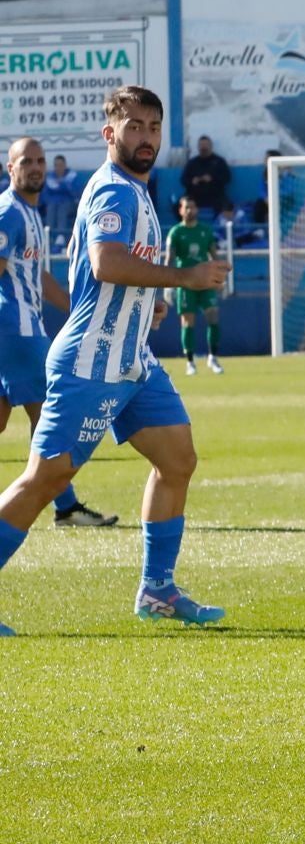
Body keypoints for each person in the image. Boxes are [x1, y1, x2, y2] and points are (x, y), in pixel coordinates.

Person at [0, 88, 229, 636]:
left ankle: (158, 590)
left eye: (153, 127)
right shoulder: (113, 191)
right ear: (110, 134)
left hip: (133, 361)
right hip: (90, 360)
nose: (145, 137)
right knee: (46, 477)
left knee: (177, 460)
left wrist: (149, 303)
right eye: (134, 127)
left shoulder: (138, 190)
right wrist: (181, 278)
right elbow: (105, 263)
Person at [0, 138, 118, 532]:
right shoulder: (9, 214)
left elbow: (37, 276)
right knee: (51, 415)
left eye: (40, 161)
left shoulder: (30, 213)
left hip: (21, 330)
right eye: (26, 161)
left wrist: (77, 307)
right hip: (16, 331)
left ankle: (63, 506)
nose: (35, 167)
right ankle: (65, 507)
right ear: (10, 167)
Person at [166, 198, 225, 376]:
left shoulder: (205, 231)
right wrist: (168, 285)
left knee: (213, 315)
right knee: (187, 321)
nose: (190, 210)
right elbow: (169, 258)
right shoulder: (176, 232)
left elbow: (214, 256)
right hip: (185, 282)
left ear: (197, 208)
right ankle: (190, 362)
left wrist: (220, 278)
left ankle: (212, 357)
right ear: (180, 211)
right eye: (186, 207)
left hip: (206, 281)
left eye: (192, 206)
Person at [182, 136, 232, 216]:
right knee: (181, 205)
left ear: (211, 146)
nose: (203, 147)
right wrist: (192, 181)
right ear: (198, 147)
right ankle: (187, 226)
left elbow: (227, 178)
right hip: (195, 196)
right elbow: (183, 180)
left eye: (206, 145)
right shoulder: (192, 163)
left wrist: (212, 179)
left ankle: (219, 227)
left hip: (215, 195)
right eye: (201, 145)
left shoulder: (219, 162)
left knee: (227, 206)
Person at [41, 154, 81, 250]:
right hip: (54, 205)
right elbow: (44, 195)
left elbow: (77, 193)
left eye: (61, 165)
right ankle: (49, 237)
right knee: (51, 207)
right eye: (56, 165)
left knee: (62, 207)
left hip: (70, 205)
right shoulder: (50, 178)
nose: (58, 167)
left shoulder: (72, 176)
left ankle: (61, 237)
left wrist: (64, 185)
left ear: (65, 165)